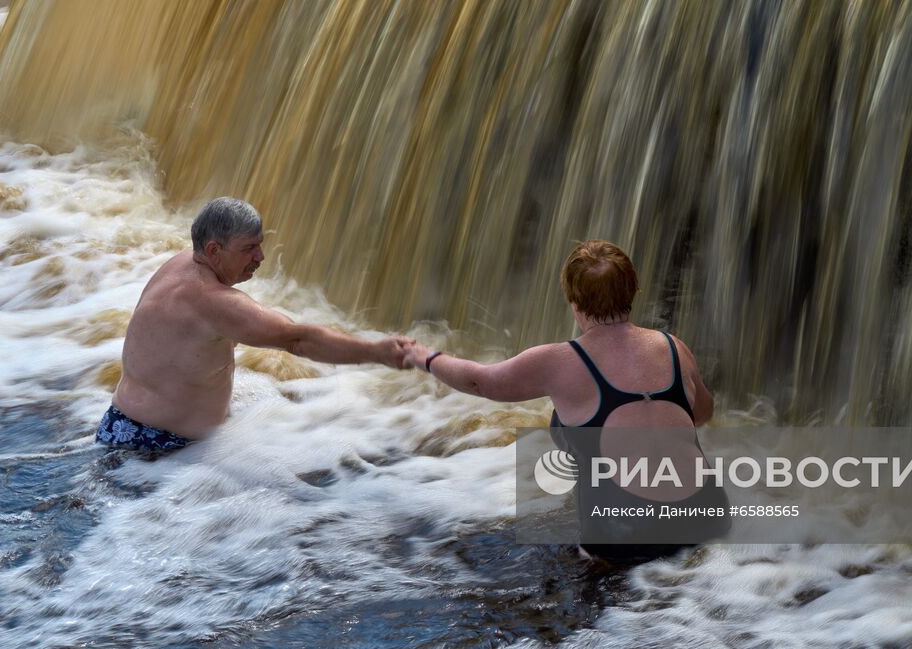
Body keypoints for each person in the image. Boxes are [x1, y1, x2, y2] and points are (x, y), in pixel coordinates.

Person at [403, 239, 725, 563]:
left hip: (628, 533)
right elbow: (702, 413)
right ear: (633, 291)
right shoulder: (673, 347)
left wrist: (424, 357)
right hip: (705, 516)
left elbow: (479, 381)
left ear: (574, 303)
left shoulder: (559, 362)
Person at [96, 197, 414, 454]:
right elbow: (297, 340)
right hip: (158, 450)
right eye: (249, 248)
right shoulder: (213, 302)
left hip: (120, 426)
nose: (261, 257)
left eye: (260, 245)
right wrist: (377, 352)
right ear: (213, 250)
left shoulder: (179, 264)